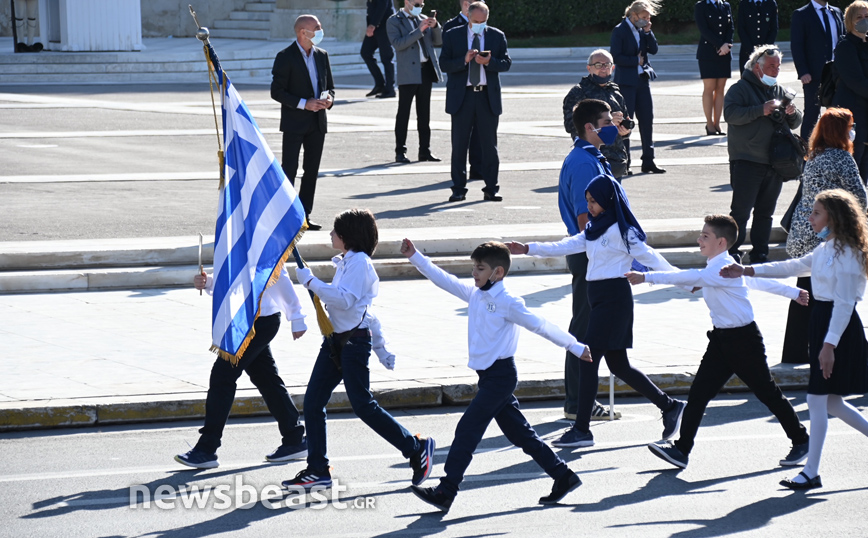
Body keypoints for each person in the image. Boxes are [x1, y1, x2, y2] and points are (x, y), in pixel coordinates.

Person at [402, 239, 588, 512]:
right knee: (522, 436)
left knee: (467, 429)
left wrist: (575, 346)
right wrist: (415, 256)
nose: (474, 273)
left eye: (480, 268)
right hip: (488, 378)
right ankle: (563, 476)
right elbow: (444, 280)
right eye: (474, 267)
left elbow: (541, 325)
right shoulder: (475, 294)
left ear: (497, 273)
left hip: (501, 376)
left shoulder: (508, 301)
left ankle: (446, 490)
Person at [507, 175, 687, 448]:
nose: (589, 206)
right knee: (618, 365)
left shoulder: (623, 231)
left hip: (615, 300)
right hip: (599, 301)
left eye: (593, 201)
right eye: (588, 201)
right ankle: (670, 406)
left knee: (586, 357)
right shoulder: (593, 229)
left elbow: (652, 258)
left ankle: (582, 430)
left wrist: (684, 281)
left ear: (607, 200)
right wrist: (528, 248)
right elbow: (564, 246)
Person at [626, 215, 811, 470]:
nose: (699, 239)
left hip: (744, 341)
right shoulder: (721, 266)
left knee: (768, 393)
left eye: (705, 236)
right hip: (722, 341)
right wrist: (793, 292)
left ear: (721, 242)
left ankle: (802, 440)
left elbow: (692, 278)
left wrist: (647, 278)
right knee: (699, 394)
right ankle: (681, 450)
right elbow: (697, 282)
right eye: (701, 234)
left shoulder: (720, 269)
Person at [721, 189, 868, 490]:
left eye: (816, 213)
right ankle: (811, 471)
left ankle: (811, 472)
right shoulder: (827, 249)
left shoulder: (849, 254)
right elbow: (791, 266)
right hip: (822, 322)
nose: (810, 218)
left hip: (838, 329)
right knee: (833, 402)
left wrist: (829, 346)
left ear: (835, 217)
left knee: (817, 399)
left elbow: (844, 305)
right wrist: (746, 270)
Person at [282, 209, 435, 491]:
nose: (330, 234)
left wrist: (311, 281)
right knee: (313, 402)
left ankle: (415, 448)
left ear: (347, 235)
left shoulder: (360, 264)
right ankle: (317, 469)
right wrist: (312, 282)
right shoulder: (347, 262)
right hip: (335, 341)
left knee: (363, 406)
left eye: (335, 230)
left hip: (353, 344)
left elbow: (345, 301)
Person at [174, 268, 308, 469]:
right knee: (266, 379)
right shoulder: (242, 238)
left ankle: (206, 448)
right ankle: (294, 437)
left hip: (258, 322)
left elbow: (279, 274)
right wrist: (209, 282)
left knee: (222, 376)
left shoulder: (258, 238)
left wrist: (297, 316)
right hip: (246, 320)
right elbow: (236, 273)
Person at [556, 99, 625, 422]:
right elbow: (586, 217)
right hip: (589, 254)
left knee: (590, 328)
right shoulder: (584, 163)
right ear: (589, 127)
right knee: (584, 329)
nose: (611, 125)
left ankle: (580, 401)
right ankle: (575, 402)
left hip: (592, 253)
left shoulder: (591, 156)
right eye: (606, 121)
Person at [781, 109, 867, 365]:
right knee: (838, 295)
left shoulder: (815, 155)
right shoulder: (841, 157)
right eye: (850, 126)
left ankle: (794, 351)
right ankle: (852, 352)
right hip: (825, 232)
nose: (853, 130)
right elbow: (859, 198)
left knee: (804, 291)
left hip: (803, 229)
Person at [723, 45, 802, 264]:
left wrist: (793, 113)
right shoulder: (739, 88)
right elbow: (730, 115)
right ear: (757, 67)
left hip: (775, 163)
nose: (776, 70)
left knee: (765, 214)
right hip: (747, 160)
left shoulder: (779, 90)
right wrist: (761, 109)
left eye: (778, 66)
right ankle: (731, 253)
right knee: (740, 212)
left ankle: (760, 254)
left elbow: (796, 121)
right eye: (771, 66)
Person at [439, 1, 512, 203]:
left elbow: (506, 63)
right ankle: (458, 189)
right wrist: (464, 60)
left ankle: (491, 188)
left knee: (489, 145)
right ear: (468, 17)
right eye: (476, 20)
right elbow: (443, 63)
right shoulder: (453, 34)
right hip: (463, 96)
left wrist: (489, 62)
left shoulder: (496, 35)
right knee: (459, 145)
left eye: (483, 21)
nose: (479, 24)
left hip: (487, 96)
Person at [271, 15, 335, 232]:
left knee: (312, 170)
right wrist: (302, 103)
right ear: (303, 33)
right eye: (317, 28)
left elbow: (330, 87)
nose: (321, 30)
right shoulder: (285, 56)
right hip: (294, 122)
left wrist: (329, 100)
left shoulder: (322, 55)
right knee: (289, 168)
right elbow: (276, 91)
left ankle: (304, 215)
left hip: (317, 122)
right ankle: (285, 215)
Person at [611, 0, 666, 174]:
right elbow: (616, 57)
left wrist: (649, 32)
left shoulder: (643, 30)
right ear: (633, 16)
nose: (647, 21)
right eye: (644, 17)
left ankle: (648, 161)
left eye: (649, 18)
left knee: (647, 120)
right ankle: (625, 162)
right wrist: (636, 61)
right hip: (626, 83)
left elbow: (654, 49)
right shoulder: (620, 30)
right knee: (626, 122)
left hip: (642, 81)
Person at [387, 0, 443, 164]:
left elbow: (438, 41)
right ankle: (400, 151)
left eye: (421, 4)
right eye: (416, 3)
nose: (419, 6)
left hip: (425, 69)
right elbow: (398, 44)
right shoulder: (394, 20)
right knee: (403, 112)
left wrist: (435, 27)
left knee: (424, 113)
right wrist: (419, 31)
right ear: (407, 2)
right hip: (408, 71)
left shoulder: (424, 18)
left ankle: (425, 150)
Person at [563, 51, 633, 180]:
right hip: (591, 161)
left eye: (607, 65)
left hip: (616, 162)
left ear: (613, 68)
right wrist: (606, 120)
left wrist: (625, 131)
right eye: (598, 65)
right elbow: (570, 125)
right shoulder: (578, 93)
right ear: (589, 68)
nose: (603, 68)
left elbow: (626, 122)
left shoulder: (615, 92)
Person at [443, 0, 486, 182]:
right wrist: (464, 60)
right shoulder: (452, 29)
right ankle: (458, 182)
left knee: (481, 137)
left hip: (483, 92)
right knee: (460, 140)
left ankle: (478, 169)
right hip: (461, 92)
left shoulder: (491, 33)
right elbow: (445, 62)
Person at [791, 0, 844, 140]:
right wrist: (802, 71)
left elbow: (843, 40)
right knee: (812, 114)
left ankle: (835, 151)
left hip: (837, 74)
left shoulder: (837, 12)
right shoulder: (801, 14)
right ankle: (807, 156)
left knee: (837, 115)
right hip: (813, 74)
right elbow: (797, 45)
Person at [832, 1, 868, 180]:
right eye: (859, 17)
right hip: (851, 114)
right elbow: (856, 81)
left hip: (865, 114)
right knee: (852, 171)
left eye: (867, 17)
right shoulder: (845, 46)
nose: (864, 21)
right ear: (850, 21)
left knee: (864, 175)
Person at [695, 0, 734, 136]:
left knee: (720, 89)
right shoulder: (701, 6)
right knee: (709, 88)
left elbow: (730, 28)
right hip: (708, 53)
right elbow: (704, 29)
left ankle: (717, 123)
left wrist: (727, 44)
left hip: (724, 53)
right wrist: (720, 45)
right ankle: (709, 124)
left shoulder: (725, 5)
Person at [361, 0, 396, 98]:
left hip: (385, 26)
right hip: (375, 26)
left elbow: (382, 6)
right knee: (365, 52)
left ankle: (390, 89)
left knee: (386, 58)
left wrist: (373, 25)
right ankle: (380, 84)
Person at [737, 0, 779, 75]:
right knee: (747, 82)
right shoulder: (744, 3)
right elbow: (741, 28)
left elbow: (773, 29)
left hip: (766, 54)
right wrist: (751, 50)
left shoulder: (771, 3)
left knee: (765, 81)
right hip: (747, 52)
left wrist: (765, 50)